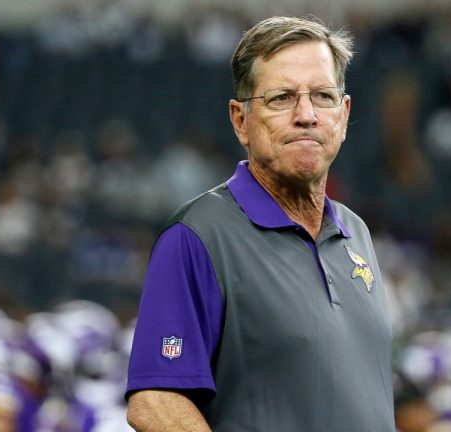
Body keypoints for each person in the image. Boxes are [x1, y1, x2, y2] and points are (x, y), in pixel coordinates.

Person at [125, 16, 395, 432]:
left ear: (343, 115)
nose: (306, 115)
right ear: (240, 120)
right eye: (282, 98)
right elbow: (156, 402)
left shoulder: (355, 233)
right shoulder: (198, 237)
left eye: (322, 96)